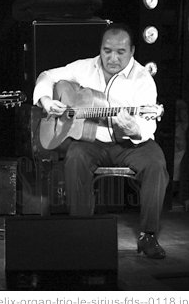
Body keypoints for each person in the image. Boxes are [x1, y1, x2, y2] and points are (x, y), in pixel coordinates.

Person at [32, 23, 169, 259]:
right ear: (100, 48)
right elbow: (47, 76)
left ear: (132, 51)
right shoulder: (84, 67)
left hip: (130, 144)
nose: (113, 58)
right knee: (75, 157)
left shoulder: (143, 79)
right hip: (92, 142)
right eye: (107, 51)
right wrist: (45, 100)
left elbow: (147, 127)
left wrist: (134, 129)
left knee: (156, 164)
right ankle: (82, 230)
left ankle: (148, 235)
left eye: (120, 52)